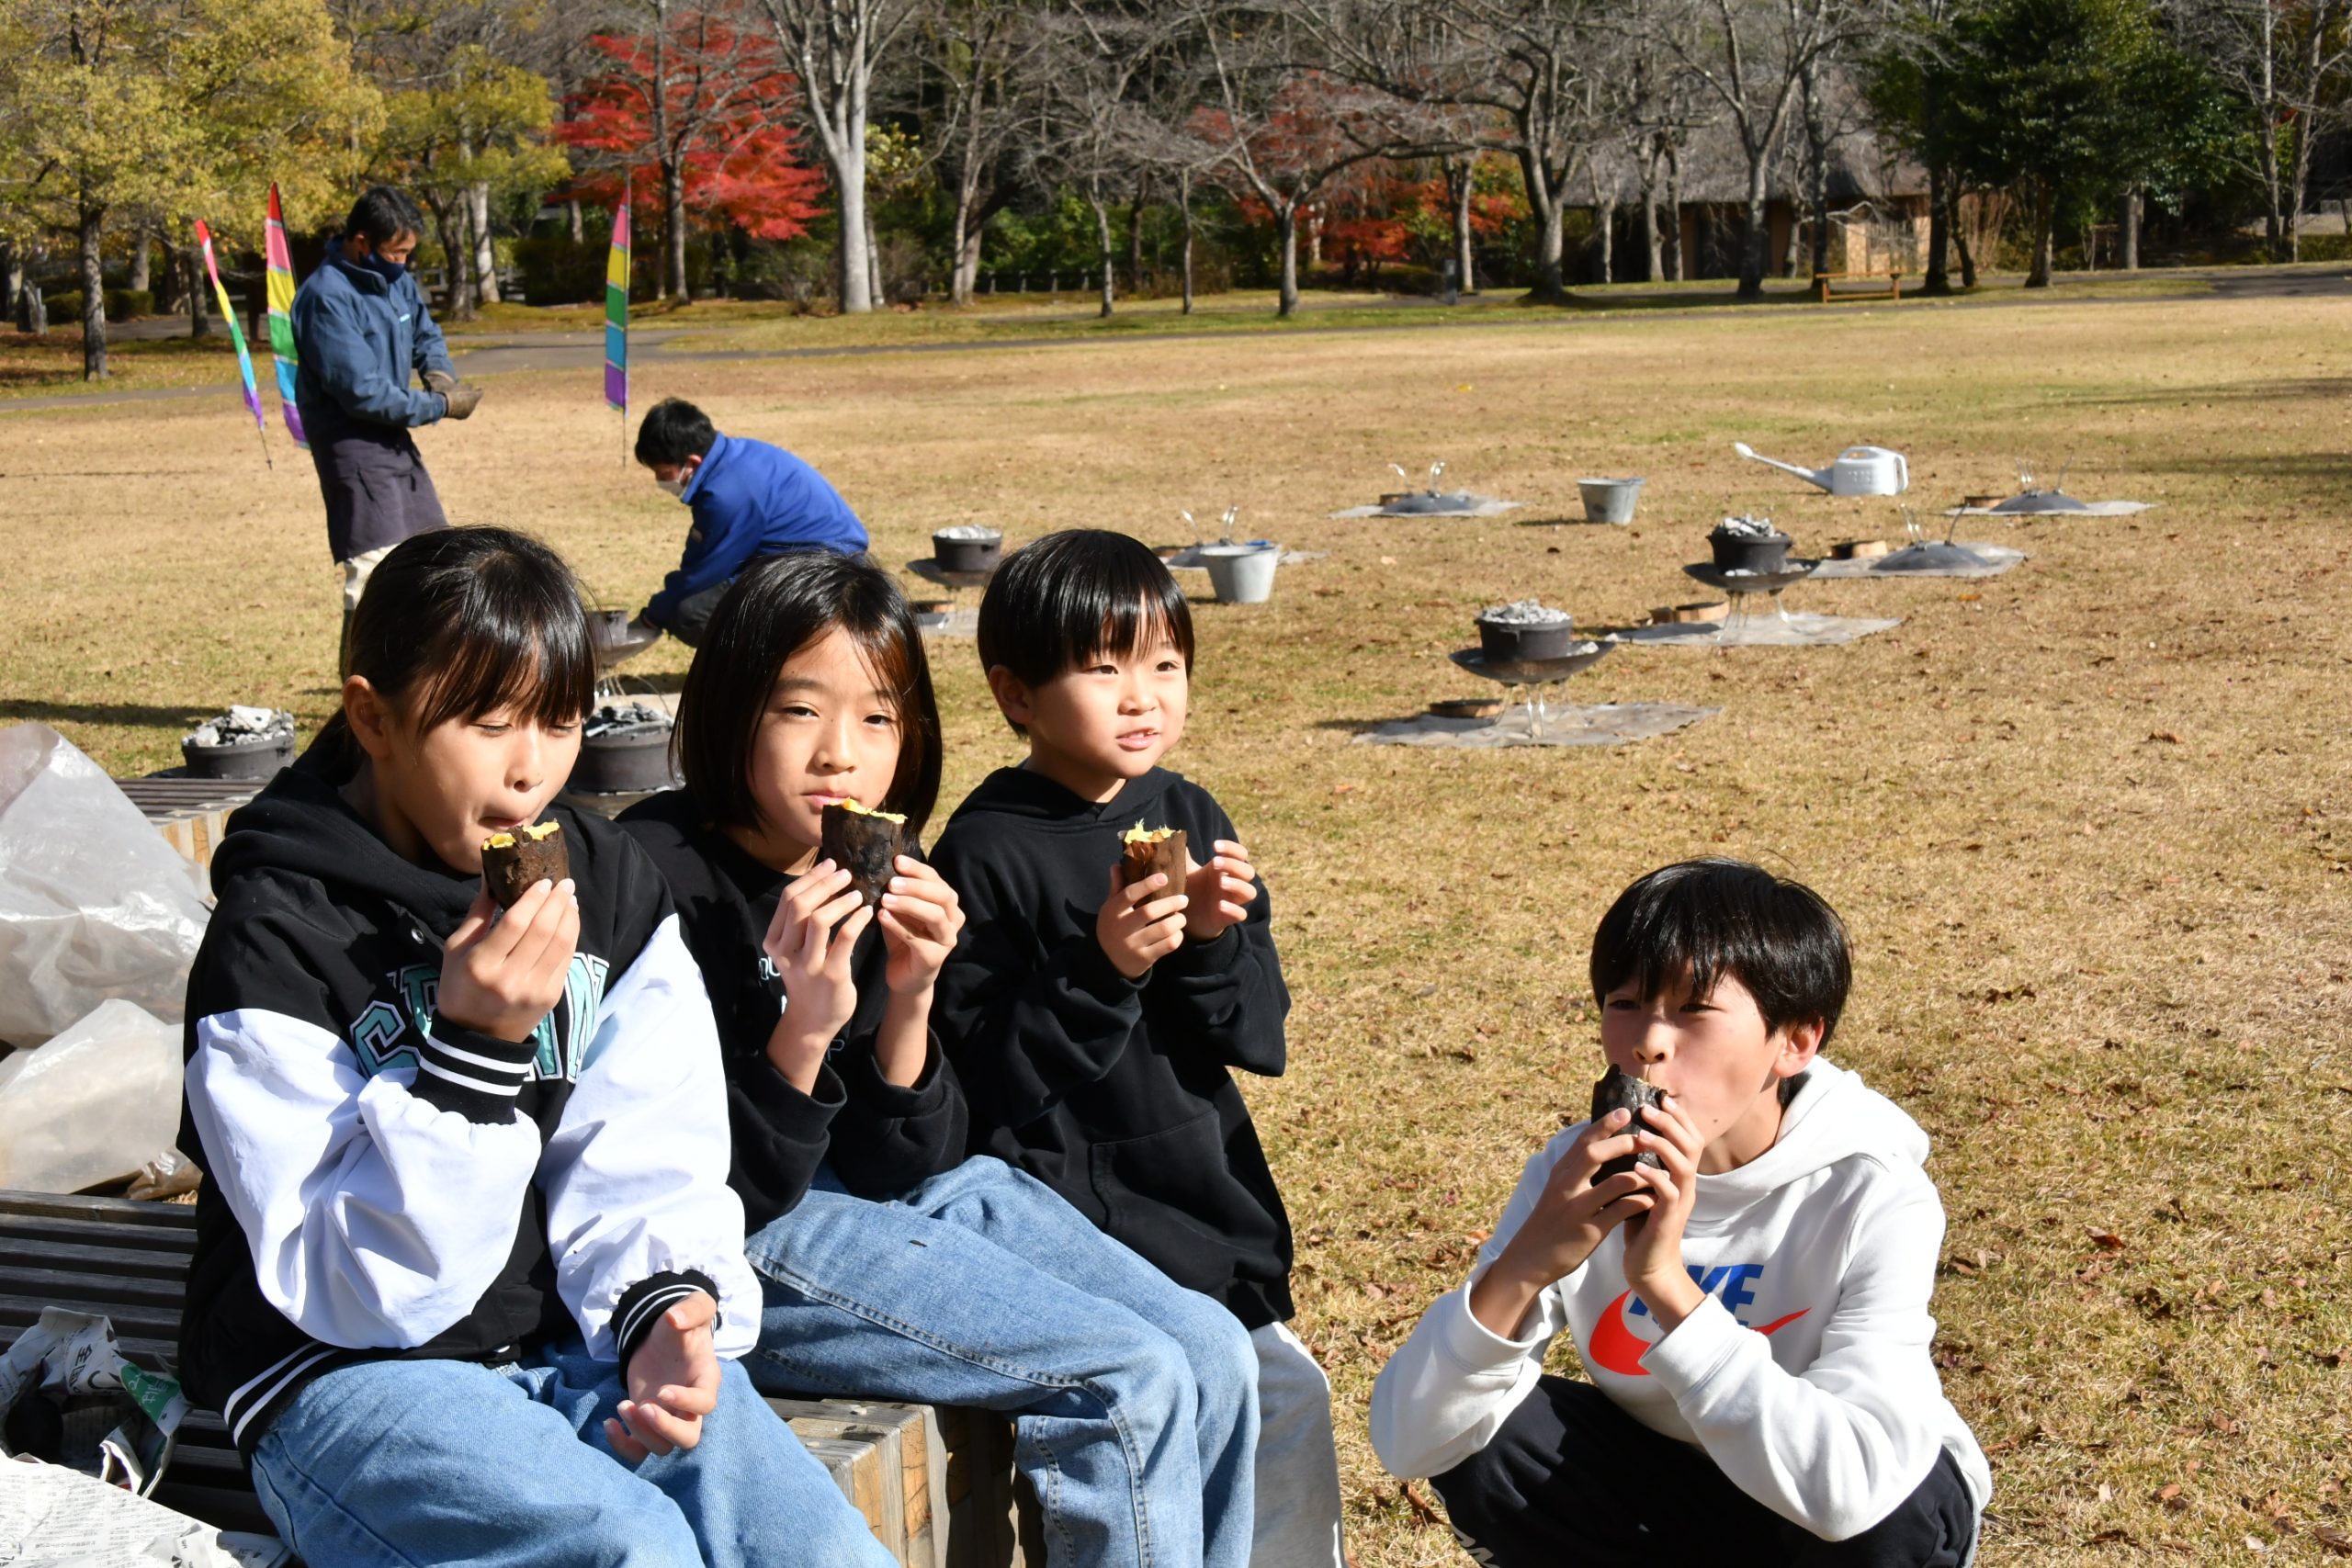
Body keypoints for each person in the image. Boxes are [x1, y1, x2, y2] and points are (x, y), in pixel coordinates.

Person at [175, 525, 892, 1568]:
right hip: (340, 1375)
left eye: (560, 724)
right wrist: (471, 1051)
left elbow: (645, 1141)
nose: (530, 772)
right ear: (372, 715)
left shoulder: (604, 887)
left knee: (816, 1545)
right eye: (487, 722)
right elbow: (346, 1285)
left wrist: (663, 1308)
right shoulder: (278, 938)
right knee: (626, 1547)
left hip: (562, 1339)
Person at [616, 551, 1261, 1568]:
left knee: (1215, 1353)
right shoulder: (651, 873)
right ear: (732, 706)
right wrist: (805, 1027)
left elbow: (908, 1161)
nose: (840, 755)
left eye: (876, 719)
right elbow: (707, 1183)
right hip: (735, 1223)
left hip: (887, 1191)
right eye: (797, 712)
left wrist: (911, 992)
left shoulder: (884, 862)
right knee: (1125, 1375)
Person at [1366, 859, 1992, 1568]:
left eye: (1694, 1010)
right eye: (1625, 1001)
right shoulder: (1575, 1174)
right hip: (1676, 1486)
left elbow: (1851, 1490)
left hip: (1842, 1501)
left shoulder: (1870, 1189)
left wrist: (1666, 1283)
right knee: (1483, 1435)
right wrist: (1526, 1261)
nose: (1650, 1041)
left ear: (1796, 1040)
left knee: (1885, 1513)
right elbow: (1410, 1440)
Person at [929, 529, 1347, 1568]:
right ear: (1015, 694)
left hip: (1200, 1183)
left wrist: (1211, 943)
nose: (1141, 697)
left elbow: (1259, 1033)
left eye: (1165, 664)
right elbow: (980, 1083)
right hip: (1079, 1217)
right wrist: (1102, 966)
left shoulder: (1189, 812)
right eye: (1103, 667)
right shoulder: (985, 848)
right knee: (1205, 1394)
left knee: (1285, 1397)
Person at [288, 186, 481, 659]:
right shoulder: (325, 298)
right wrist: (441, 406)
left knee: (431, 556)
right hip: (351, 445)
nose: (403, 261)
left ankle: (418, 677)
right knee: (372, 569)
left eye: (408, 252)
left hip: (394, 440)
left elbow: (425, 332)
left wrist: (440, 374)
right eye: (396, 251)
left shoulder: (397, 281)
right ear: (360, 241)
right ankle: (359, 697)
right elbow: (363, 393)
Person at [630, 398, 869, 649]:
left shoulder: (727, 494)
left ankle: (768, 669)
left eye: (663, 474)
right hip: (807, 556)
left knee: (690, 612)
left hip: (826, 567)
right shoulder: (732, 458)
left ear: (692, 462)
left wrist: (653, 617)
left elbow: (704, 572)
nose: (659, 481)